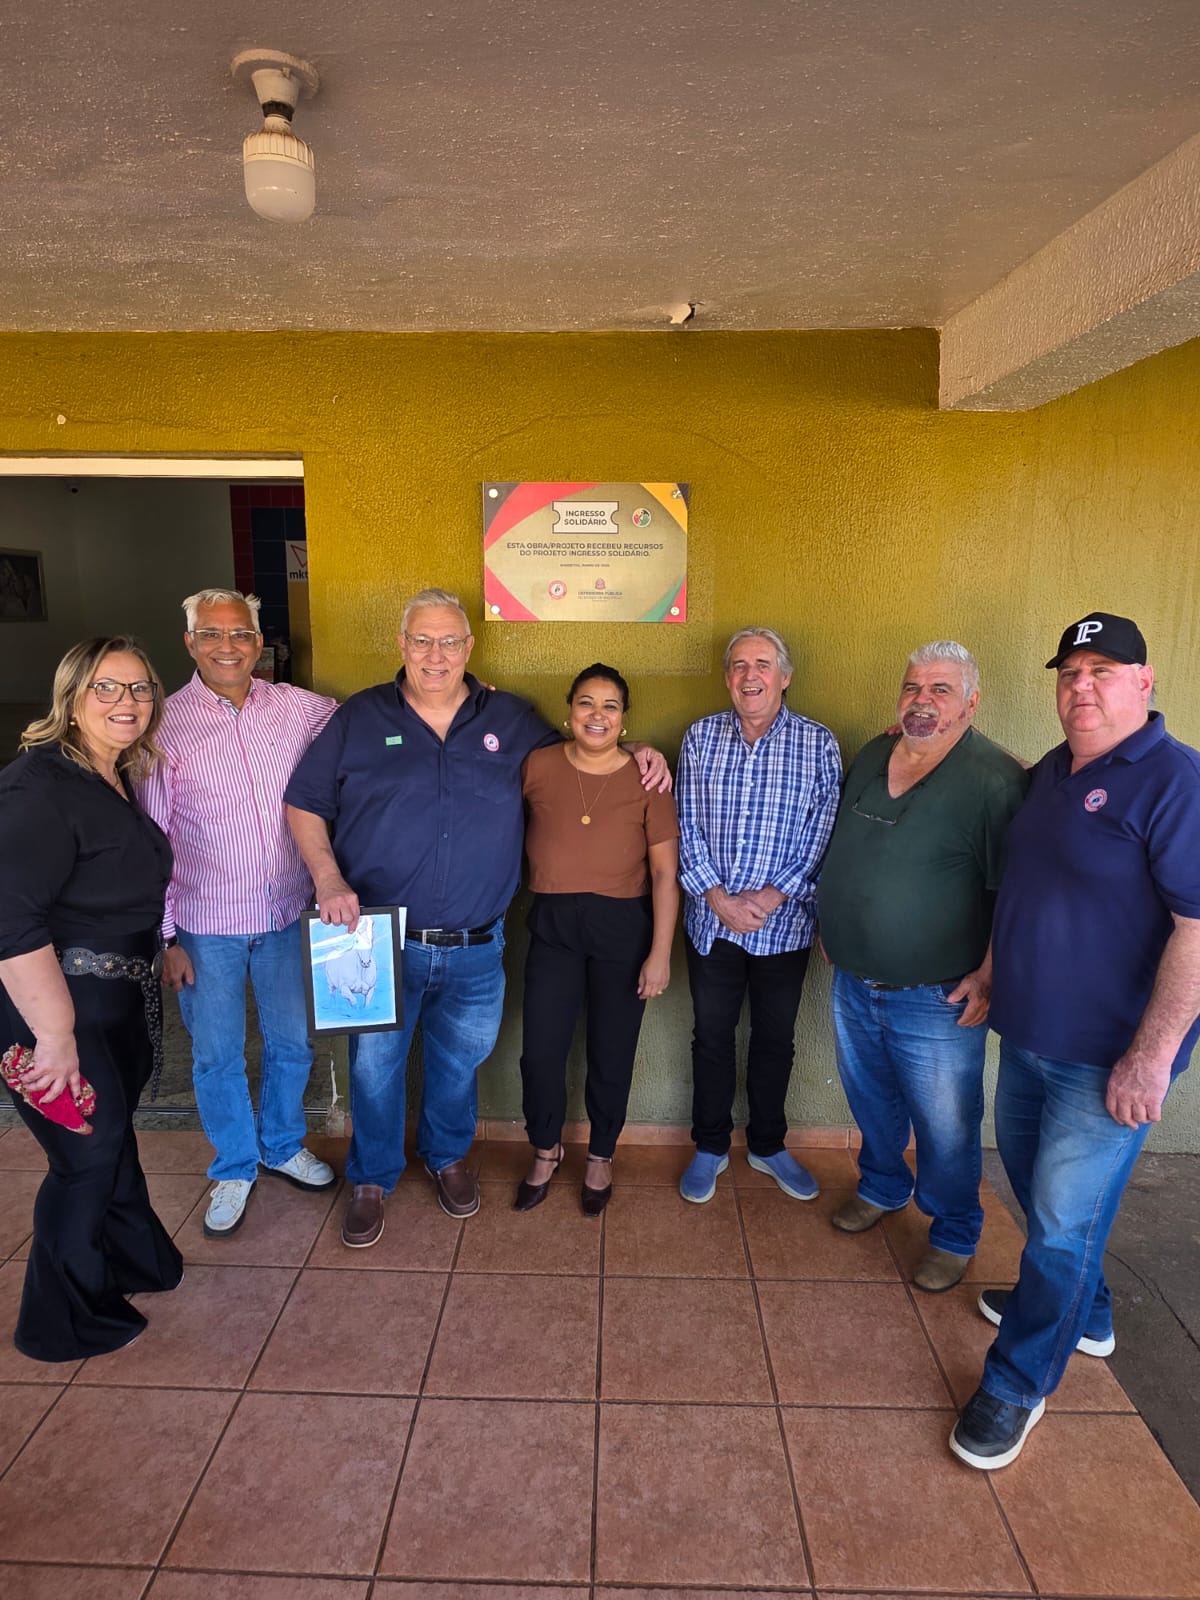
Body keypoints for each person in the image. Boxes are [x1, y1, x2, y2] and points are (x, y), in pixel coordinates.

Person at [284, 588, 669, 1247]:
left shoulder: (510, 719)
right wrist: (327, 877)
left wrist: (642, 751)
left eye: (449, 642)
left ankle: (447, 1157)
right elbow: (305, 801)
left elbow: (584, 753)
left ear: (468, 648)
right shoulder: (359, 718)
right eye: (422, 641)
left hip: (477, 944)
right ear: (402, 645)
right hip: (378, 940)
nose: (435, 655)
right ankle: (371, 1178)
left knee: (459, 1062)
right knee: (375, 1068)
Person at [951, 612, 1200, 1470]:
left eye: (1103, 670)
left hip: (1108, 1060)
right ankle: (1082, 1314)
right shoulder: (1054, 772)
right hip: (1028, 1036)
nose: (1081, 686)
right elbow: (1026, 887)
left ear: (1145, 681)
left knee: (1060, 1227)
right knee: (1039, 1198)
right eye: (1069, 672)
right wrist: (991, 974)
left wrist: (1152, 1058)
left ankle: (1017, 1384)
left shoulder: (1176, 781)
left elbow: (1197, 929)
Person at [817, 642, 1028, 1292]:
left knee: (946, 1123)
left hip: (937, 995)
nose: (923, 700)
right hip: (854, 979)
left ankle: (955, 1231)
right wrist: (834, 921)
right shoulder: (874, 754)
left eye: (941, 690)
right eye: (913, 687)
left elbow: (1013, 893)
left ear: (971, 702)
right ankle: (882, 1185)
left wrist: (990, 973)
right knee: (871, 1098)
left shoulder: (993, 780)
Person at [0, 637, 183, 1360]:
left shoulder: (113, 773)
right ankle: (60, 1321)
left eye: (139, 688)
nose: (126, 702)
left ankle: (135, 1260)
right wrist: (53, 1036)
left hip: (116, 999)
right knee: (84, 1156)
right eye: (106, 687)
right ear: (71, 698)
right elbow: (10, 921)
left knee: (111, 1139)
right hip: (55, 1012)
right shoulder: (36, 787)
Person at [139, 589, 338, 1239]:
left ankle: (281, 1145)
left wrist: (463, 694)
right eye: (212, 634)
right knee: (217, 1055)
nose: (228, 646)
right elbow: (152, 838)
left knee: (292, 1044)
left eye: (241, 633)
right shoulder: (163, 724)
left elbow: (368, 719)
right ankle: (233, 1164)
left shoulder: (297, 707)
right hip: (204, 926)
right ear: (190, 642)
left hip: (284, 914)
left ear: (259, 642)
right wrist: (165, 937)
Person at [676, 626, 841, 1203]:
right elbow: (684, 823)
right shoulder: (700, 738)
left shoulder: (818, 744)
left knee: (775, 1039)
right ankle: (710, 1145)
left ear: (784, 677)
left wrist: (770, 897)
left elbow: (823, 832)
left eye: (763, 665)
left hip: (785, 926)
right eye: (740, 666)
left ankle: (768, 1145)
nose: (751, 676)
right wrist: (718, 898)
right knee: (711, 1037)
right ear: (728, 678)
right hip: (712, 923)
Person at [515, 663, 679, 1216]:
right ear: (569, 711)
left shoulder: (648, 778)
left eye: (610, 706)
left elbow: (665, 873)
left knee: (612, 1050)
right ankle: (545, 1148)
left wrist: (660, 954)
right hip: (553, 926)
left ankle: (602, 1154)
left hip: (624, 929)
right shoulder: (537, 765)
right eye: (586, 702)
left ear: (624, 719)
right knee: (541, 1050)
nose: (597, 715)